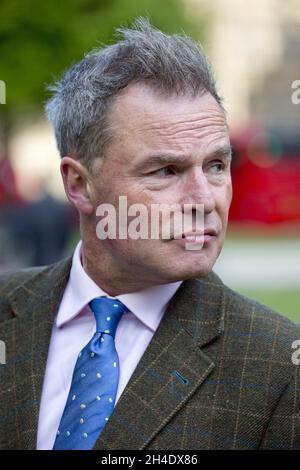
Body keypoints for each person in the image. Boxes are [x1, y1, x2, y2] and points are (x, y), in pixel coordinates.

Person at [0, 18, 299, 451]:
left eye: (217, 165)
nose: (204, 198)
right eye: (166, 171)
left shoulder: (278, 367)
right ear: (80, 184)